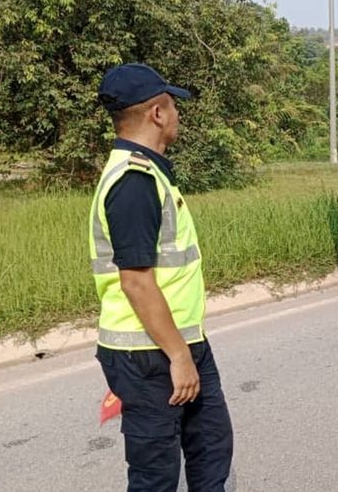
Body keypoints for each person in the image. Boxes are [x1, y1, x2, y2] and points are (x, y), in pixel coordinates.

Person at [90, 63, 233, 491]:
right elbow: (136, 281)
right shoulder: (133, 181)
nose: (178, 116)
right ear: (157, 113)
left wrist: (188, 350)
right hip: (149, 354)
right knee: (156, 476)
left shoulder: (151, 173)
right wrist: (179, 357)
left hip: (180, 341)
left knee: (211, 447)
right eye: (173, 107)